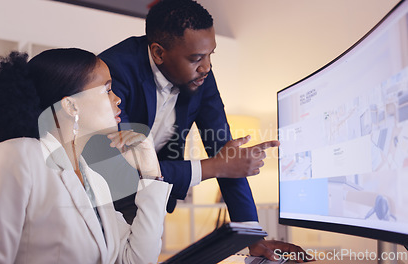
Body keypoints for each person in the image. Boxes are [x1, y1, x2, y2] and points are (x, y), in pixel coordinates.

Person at [98, 0, 311, 261]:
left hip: (151, 194)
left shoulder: (202, 76)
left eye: (211, 55)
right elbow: (123, 166)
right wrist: (214, 167)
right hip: (102, 192)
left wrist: (252, 236)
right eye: (196, 58)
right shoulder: (115, 69)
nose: (207, 67)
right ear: (158, 53)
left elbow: (226, 152)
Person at [0, 49, 172, 263]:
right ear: (71, 106)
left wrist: (151, 174)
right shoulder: (18, 156)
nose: (117, 99)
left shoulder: (95, 181)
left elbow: (135, 260)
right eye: (107, 90)